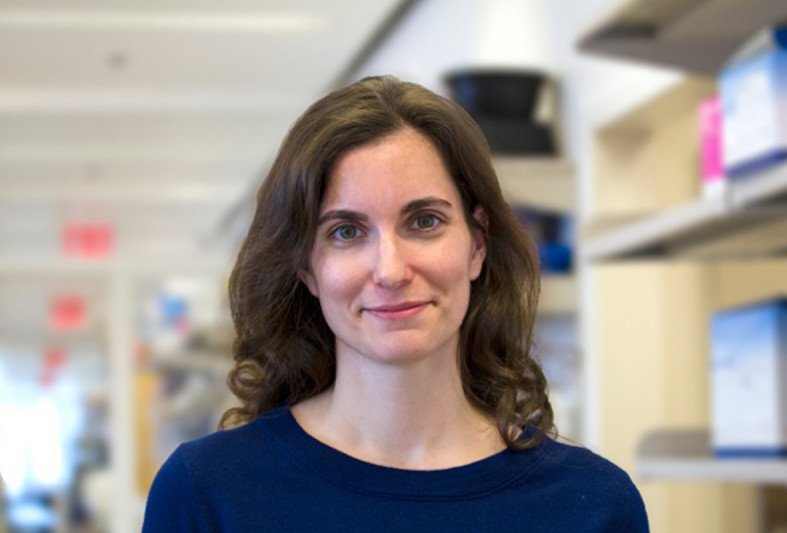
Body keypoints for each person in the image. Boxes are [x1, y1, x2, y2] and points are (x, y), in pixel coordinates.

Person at [143, 75, 648, 532]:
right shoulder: (208, 493)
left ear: (477, 244)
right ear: (306, 268)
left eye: (424, 222)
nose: (390, 270)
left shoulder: (593, 505)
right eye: (346, 231)